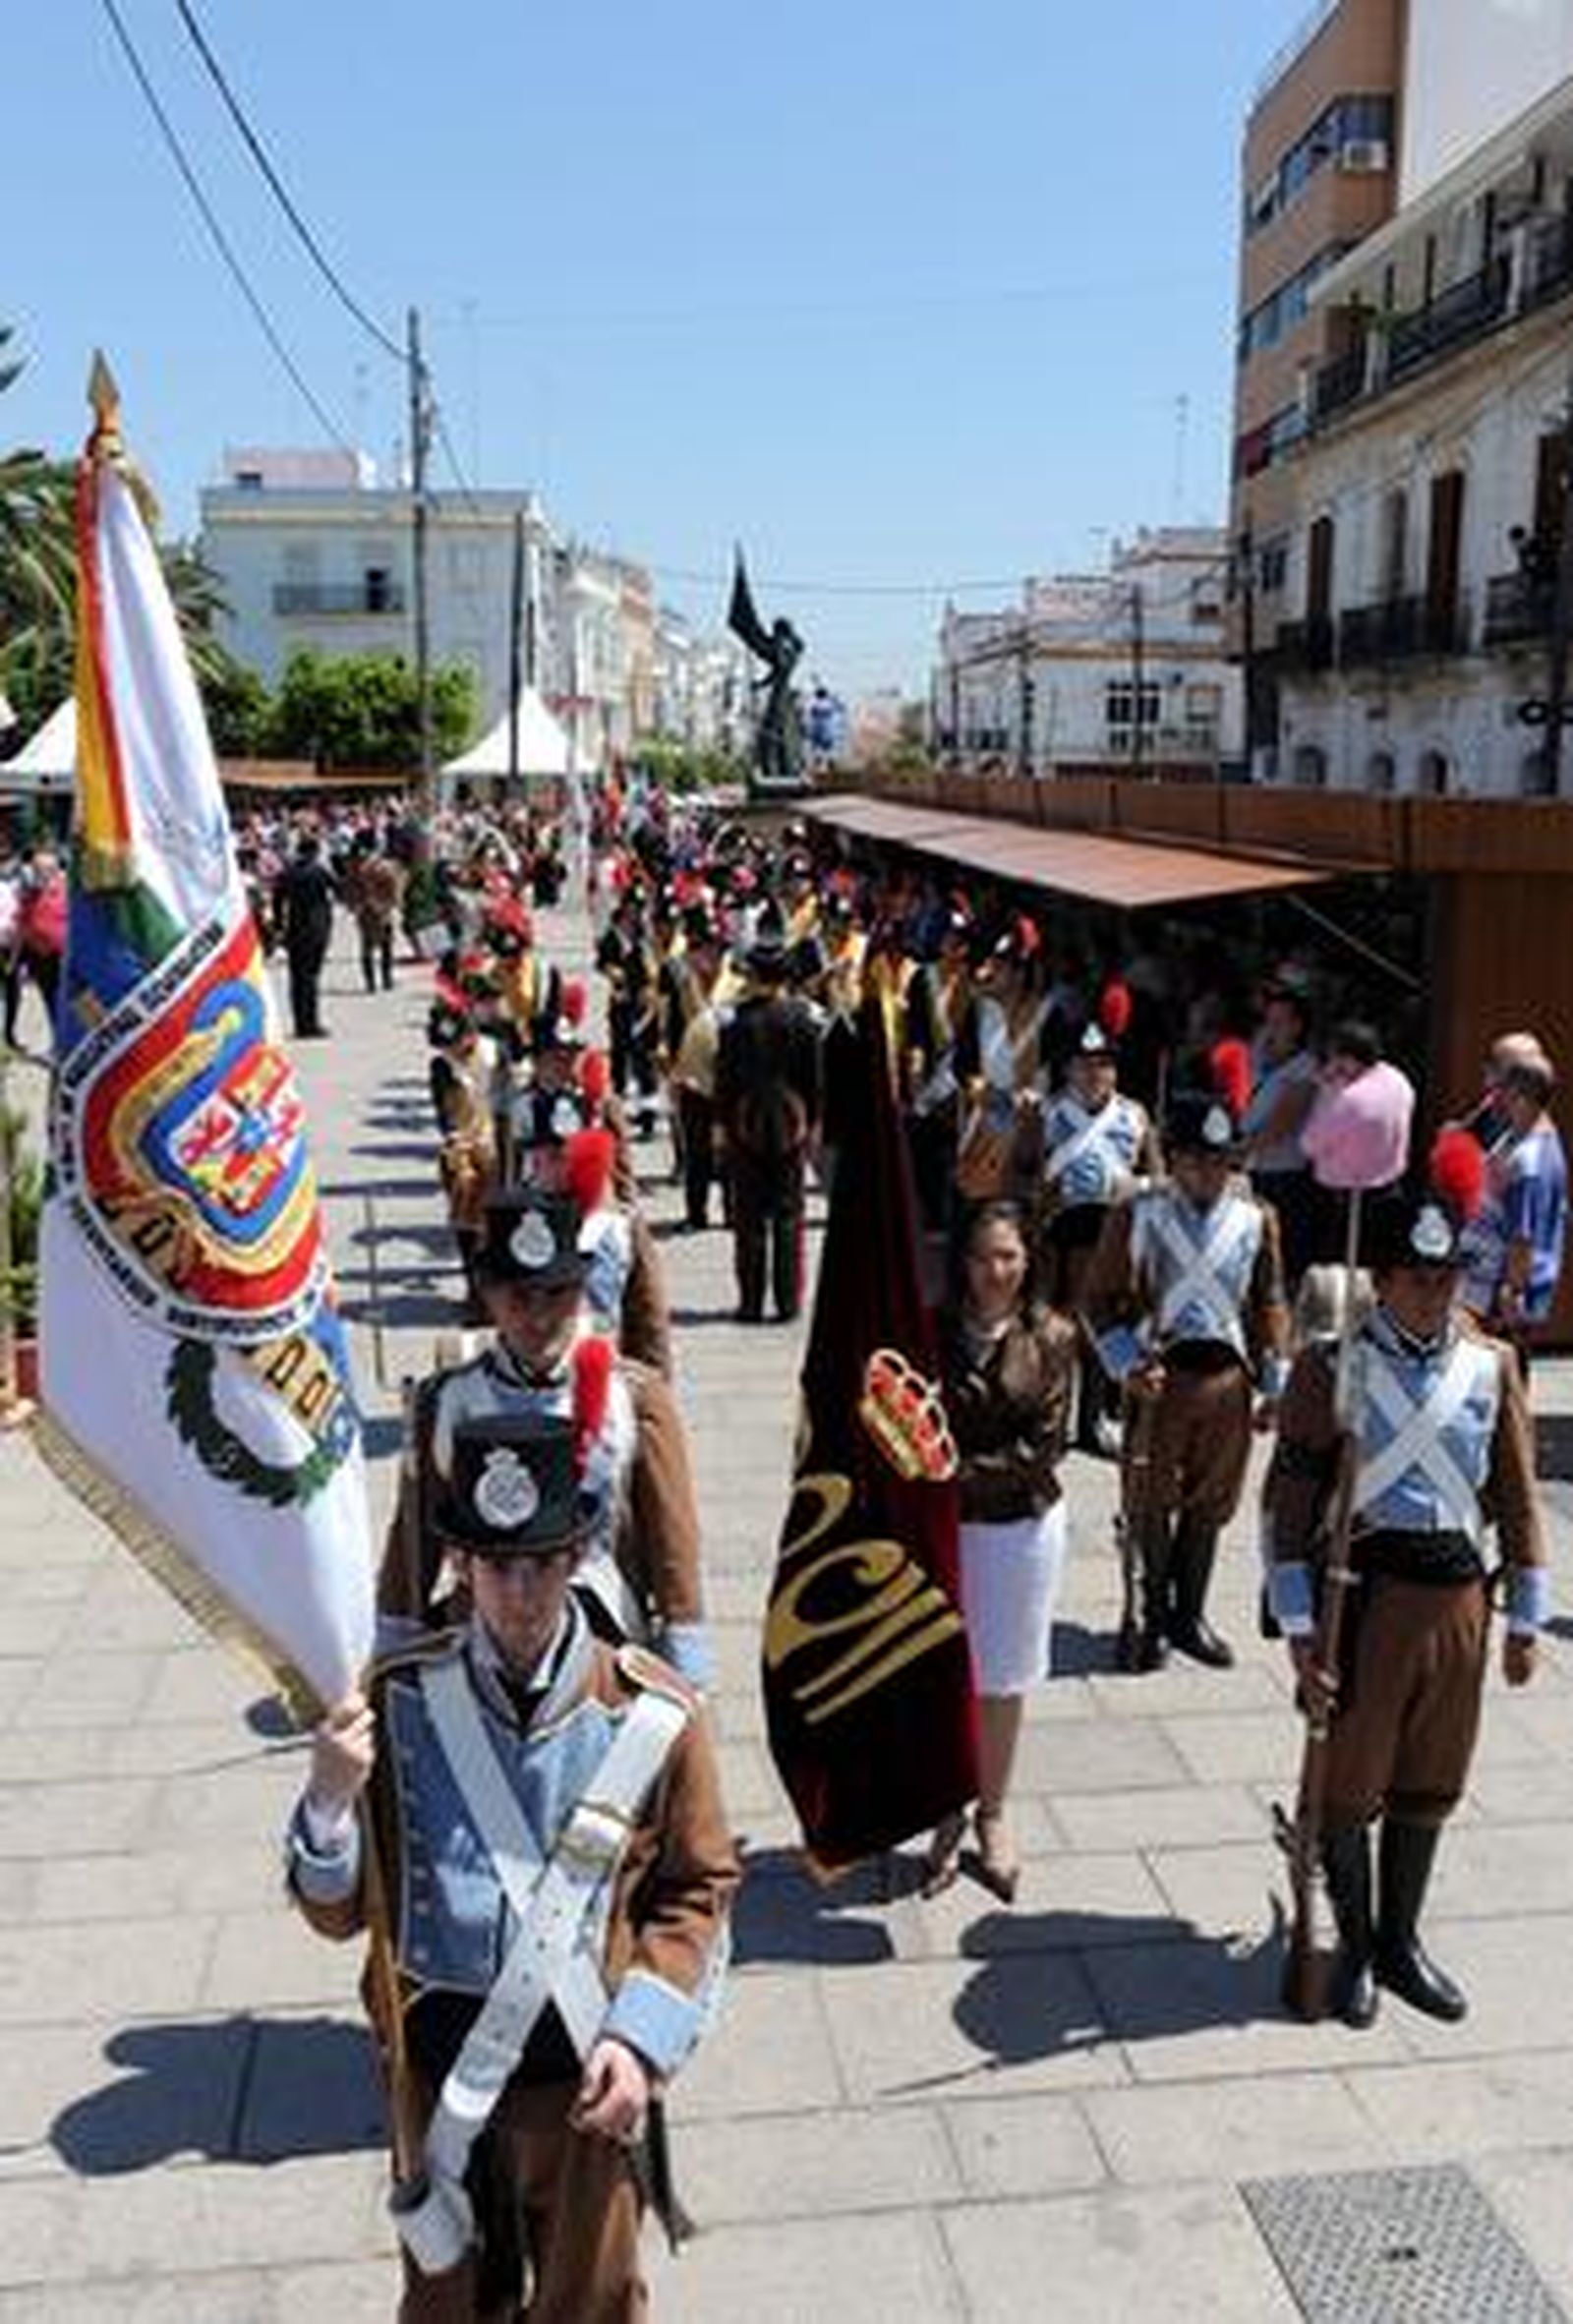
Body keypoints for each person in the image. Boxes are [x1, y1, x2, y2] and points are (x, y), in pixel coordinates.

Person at [289, 1410, 737, 2322]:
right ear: (461, 1566)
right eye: (498, 1566)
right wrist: (328, 1802)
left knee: (593, 2305)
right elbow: (339, 1914)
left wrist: (639, 2039)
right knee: (447, 2306)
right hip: (436, 2087)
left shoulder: (655, 1711)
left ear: (579, 1559)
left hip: (585, 2084)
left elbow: (697, 1887)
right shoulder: (398, 1698)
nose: (521, 1594)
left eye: (541, 1563)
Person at [1263, 1178, 1544, 2026]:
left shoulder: (1491, 1365)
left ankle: (1400, 1940)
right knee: (1349, 1788)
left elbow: (1518, 1498)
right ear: (1381, 1280)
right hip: (1367, 1605)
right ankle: (1353, 1942)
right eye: (1417, 1277)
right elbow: (1289, 1509)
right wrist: (1302, 1628)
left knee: (1431, 1781)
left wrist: (1527, 1616)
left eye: (1447, 1275)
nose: (1436, 1291)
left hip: (1460, 1602)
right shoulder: (1331, 1367)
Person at [379, 1186, 711, 1691]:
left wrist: (686, 1668)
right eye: (517, 1297)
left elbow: (673, 1548)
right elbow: (415, 1541)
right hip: (478, 1638)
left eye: (556, 1295)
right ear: (489, 1295)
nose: (537, 1317)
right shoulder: (446, 1398)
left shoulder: (636, 1397)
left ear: (581, 1292)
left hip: (606, 1633)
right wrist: (391, 1661)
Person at [1084, 1090, 1290, 1671]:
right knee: (1150, 1501)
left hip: (1226, 1379)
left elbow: (1270, 1301)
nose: (1209, 1172)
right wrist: (1126, 1362)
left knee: (1210, 1503)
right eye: (1197, 1159)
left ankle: (1189, 1614)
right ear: (1173, 1159)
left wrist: (1276, 1381)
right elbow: (1098, 1300)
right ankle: (1151, 1615)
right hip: (1160, 1380)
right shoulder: (1138, 1212)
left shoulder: (1256, 1219)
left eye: (1221, 1160)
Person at [930, 1201, 1077, 1899]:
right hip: (945, 1528)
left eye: (1010, 1256)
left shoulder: (1051, 1335)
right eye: (985, 1256)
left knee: (1003, 1678)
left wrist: (950, 1471)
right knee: (944, 1671)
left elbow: (1041, 1448)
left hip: (1020, 1526)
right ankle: (944, 1805)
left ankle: (993, 1811)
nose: (997, 1271)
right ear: (962, 1260)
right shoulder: (931, 1330)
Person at [1033, 1011, 1160, 1456]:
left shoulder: (1134, 1117)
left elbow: (1157, 1181)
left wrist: (1137, 1187)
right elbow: (1018, 1172)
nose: (1095, 1073)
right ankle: (1050, 1422)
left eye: (1104, 1064)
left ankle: (1093, 1421)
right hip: (1058, 1238)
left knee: (1105, 1333)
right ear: (1068, 1068)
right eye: (1085, 1064)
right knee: (1056, 1333)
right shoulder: (1046, 1113)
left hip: (1114, 1238)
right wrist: (1039, 1192)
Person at [714, 908, 822, 1323]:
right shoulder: (803, 1020)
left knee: (750, 1219)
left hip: (746, 1124)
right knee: (789, 1216)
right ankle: (789, 1301)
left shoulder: (736, 1025)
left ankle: (751, 1301)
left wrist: (722, 1127)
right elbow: (815, 1081)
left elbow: (725, 1083)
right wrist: (813, 1123)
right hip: (791, 1123)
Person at [1461, 1051, 1567, 1373]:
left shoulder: (1530, 1160)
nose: (1494, 1097)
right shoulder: (1519, 1137)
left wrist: (1512, 1291)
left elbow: (1524, 1235)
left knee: (1502, 1376)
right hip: (1483, 1280)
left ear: (1521, 1097)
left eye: (1501, 1090)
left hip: (1499, 1292)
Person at [1240, 975, 1320, 1296]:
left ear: (1298, 1026)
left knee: (1281, 1267)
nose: (1271, 1027)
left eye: (1280, 1021)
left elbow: (1280, 1126)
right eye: (1268, 1020)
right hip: (1254, 1172)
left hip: (1285, 1181)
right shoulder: (1261, 1055)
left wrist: (1233, 1153)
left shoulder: (1305, 1067)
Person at [275, 831, 336, 1039]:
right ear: (316, 851)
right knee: (311, 977)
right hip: (317, 928)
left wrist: (278, 925)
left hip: (294, 928)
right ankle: (311, 1023)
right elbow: (338, 888)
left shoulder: (288, 872)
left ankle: (300, 1022)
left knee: (297, 979)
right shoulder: (320, 871)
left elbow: (277, 899)